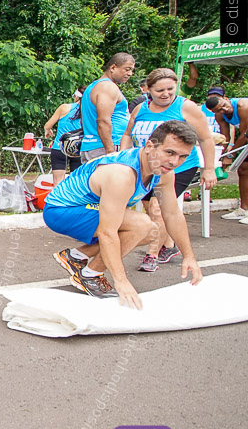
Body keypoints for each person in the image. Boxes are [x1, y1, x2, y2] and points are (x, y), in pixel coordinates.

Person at [45, 120, 203, 309]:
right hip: (62, 210)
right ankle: (90, 275)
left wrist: (189, 256)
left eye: (182, 156)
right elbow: (107, 232)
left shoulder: (164, 172)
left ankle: (77, 256)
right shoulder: (122, 174)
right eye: (169, 152)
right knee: (142, 225)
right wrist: (121, 280)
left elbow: (172, 214)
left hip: (86, 207)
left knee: (151, 230)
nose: (174, 162)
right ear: (150, 146)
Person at [120, 68, 216, 272]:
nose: (166, 94)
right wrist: (123, 157)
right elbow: (127, 134)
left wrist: (209, 169)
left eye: (170, 90)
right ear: (148, 89)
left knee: (158, 208)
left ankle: (151, 255)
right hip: (146, 168)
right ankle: (170, 246)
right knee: (151, 210)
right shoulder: (140, 109)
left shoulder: (186, 108)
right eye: (160, 90)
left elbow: (206, 138)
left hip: (177, 167)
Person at [80, 53, 135, 162]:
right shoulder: (108, 87)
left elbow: (83, 121)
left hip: (93, 146)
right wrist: (110, 152)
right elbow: (103, 120)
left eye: (132, 70)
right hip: (107, 147)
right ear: (113, 67)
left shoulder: (92, 87)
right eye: (127, 69)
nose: (130, 74)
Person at [205, 91, 248, 223]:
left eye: (224, 105)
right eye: (220, 109)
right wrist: (220, 157)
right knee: (243, 169)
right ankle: (244, 209)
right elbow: (225, 138)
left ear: (226, 98)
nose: (224, 109)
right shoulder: (220, 115)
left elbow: (245, 134)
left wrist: (230, 155)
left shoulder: (243, 106)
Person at [44, 87, 86, 185]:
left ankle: (57, 200)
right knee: (75, 182)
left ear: (76, 97)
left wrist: (48, 130)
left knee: (57, 182)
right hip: (77, 149)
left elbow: (47, 125)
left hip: (59, 147)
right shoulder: (89, 111)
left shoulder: (64, 107)